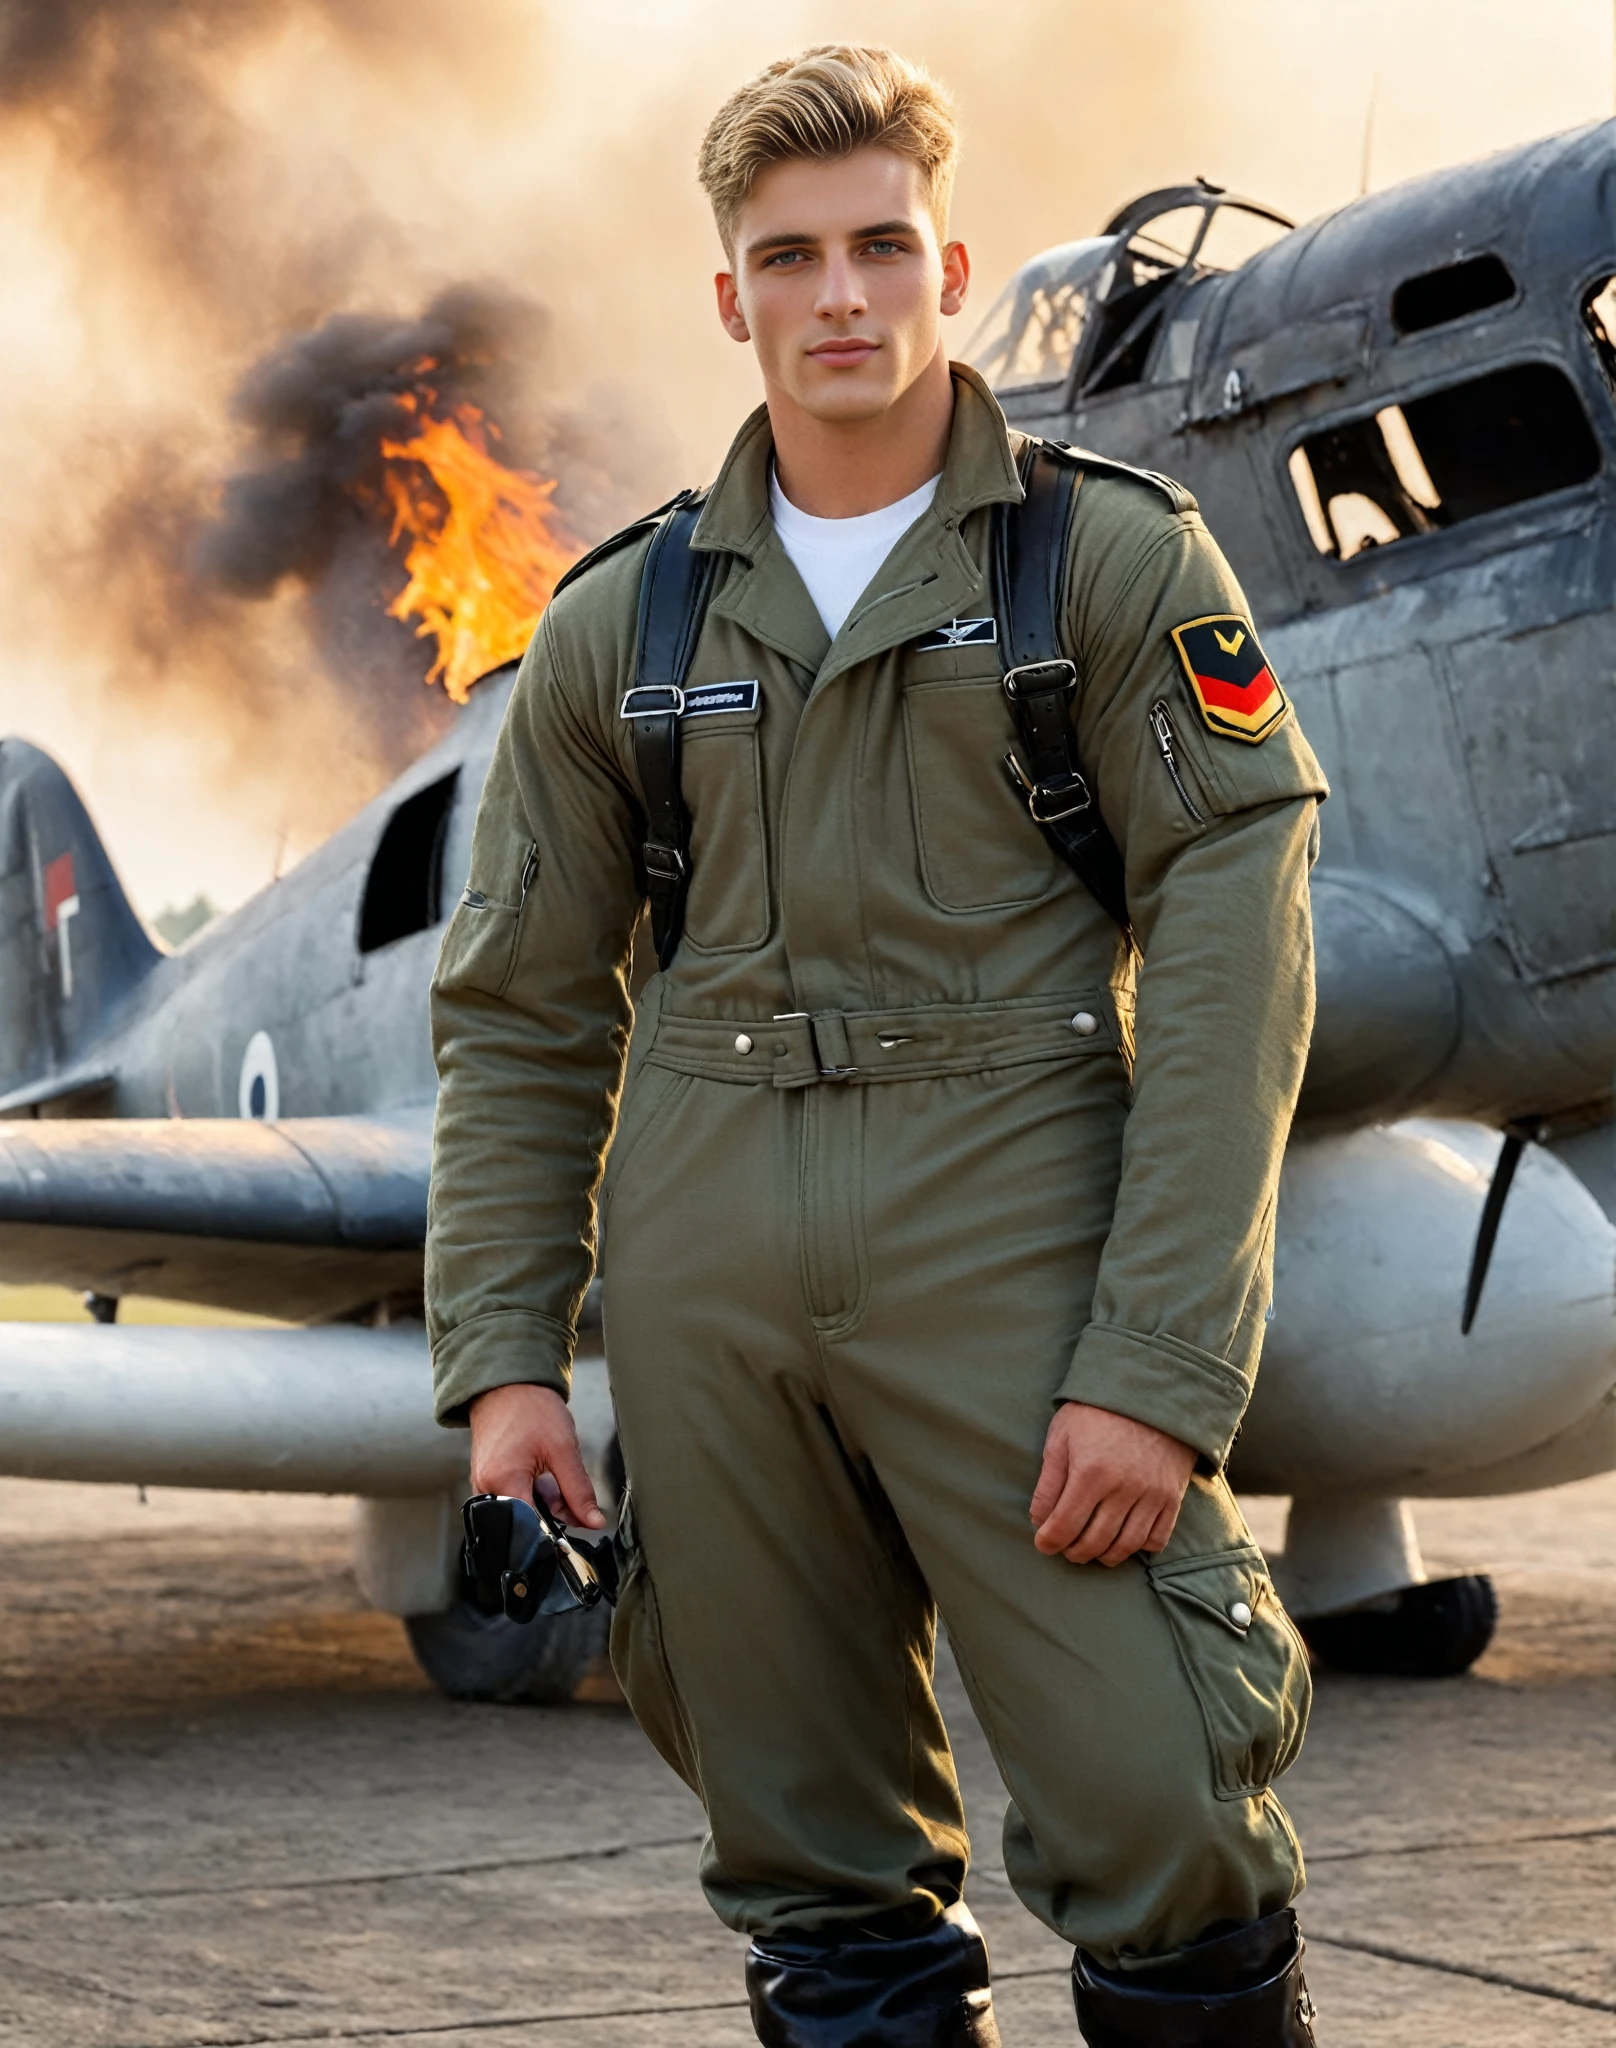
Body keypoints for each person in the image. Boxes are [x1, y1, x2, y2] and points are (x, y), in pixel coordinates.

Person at [426, 44, 1326, 2048]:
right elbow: (517, 1013)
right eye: (791, 256)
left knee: (1163, 1798)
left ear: (949, 265)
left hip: (1008, 1211)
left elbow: (1234, 947)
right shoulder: (613, 627)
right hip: (704, 1248)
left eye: (881, 246)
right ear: (728, 296)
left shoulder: (1102, 565)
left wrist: (1158, 1364)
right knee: (807, 1855)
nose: (841, 293)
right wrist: (504, 1373)